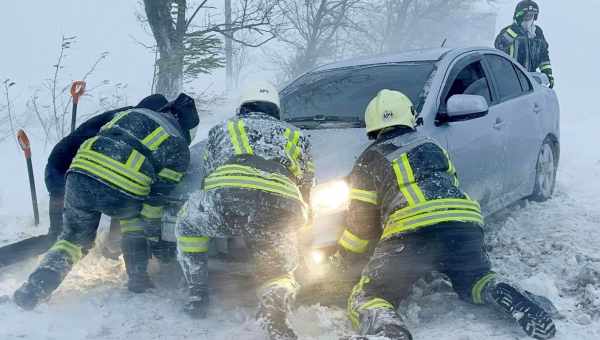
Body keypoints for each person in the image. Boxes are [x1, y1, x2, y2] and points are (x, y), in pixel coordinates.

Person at [331, 89, 556, 340]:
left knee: (370, 296)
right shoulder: (431, 146)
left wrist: (342, 262)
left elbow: (361, 228)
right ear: (409, 116)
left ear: (372, 124)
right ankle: (497, 288)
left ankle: (388, 331)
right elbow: (451, 184)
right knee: (473, 281)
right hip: (464, 225)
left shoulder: (369, 159)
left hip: (411, 232)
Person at [13, 93, 200, 310]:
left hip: (78, 176)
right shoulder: (178, 146)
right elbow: (154, 202)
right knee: (134, 224)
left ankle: (35, 288)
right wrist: (154, 238)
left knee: (72, 240)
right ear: (187, 128)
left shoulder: (130, 114)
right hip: (122, 189)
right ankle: (138, 280)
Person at [176, 81, 314, 340]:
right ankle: (275, 314)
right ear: (276, 109)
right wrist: (300, 221)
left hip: (228, 197)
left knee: (188, 224)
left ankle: (197, 293)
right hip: (282, 203)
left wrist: (221, 211)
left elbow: (209, 175)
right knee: (279, 267)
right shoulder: (298, 135)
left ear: (242, 106)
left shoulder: (223, 128)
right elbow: (306, 184)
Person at [44, 94, 169, 254]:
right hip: (65, 170)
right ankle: (113, 248)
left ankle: (112, 247)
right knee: (62, 237)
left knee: (121, 186)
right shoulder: (134, 125)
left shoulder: (125, 117)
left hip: (62, 165)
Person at [495, 0, 554, 88]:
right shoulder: (510, 31)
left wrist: (548, 74)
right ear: (519, 17)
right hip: (510, 80)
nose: (529, 19)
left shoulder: (537, 33)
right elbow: (499, 45)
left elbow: (543, 56)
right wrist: (514, 30)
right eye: (526, 16)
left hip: (530, 81)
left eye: (531, 16)